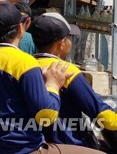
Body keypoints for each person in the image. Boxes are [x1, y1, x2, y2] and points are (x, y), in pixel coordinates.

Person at [0, 2, 102, 154]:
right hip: (22, 149)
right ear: (21, 28)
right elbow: (46, 116)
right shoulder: (24, 63)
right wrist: (53, 85)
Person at [30, 12, 117, 148]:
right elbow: (101, 114)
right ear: (61, 44)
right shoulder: (67, 70)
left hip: (36, 142)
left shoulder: (27, 66)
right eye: (69, 37)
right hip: (68, 143)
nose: (71, 41)